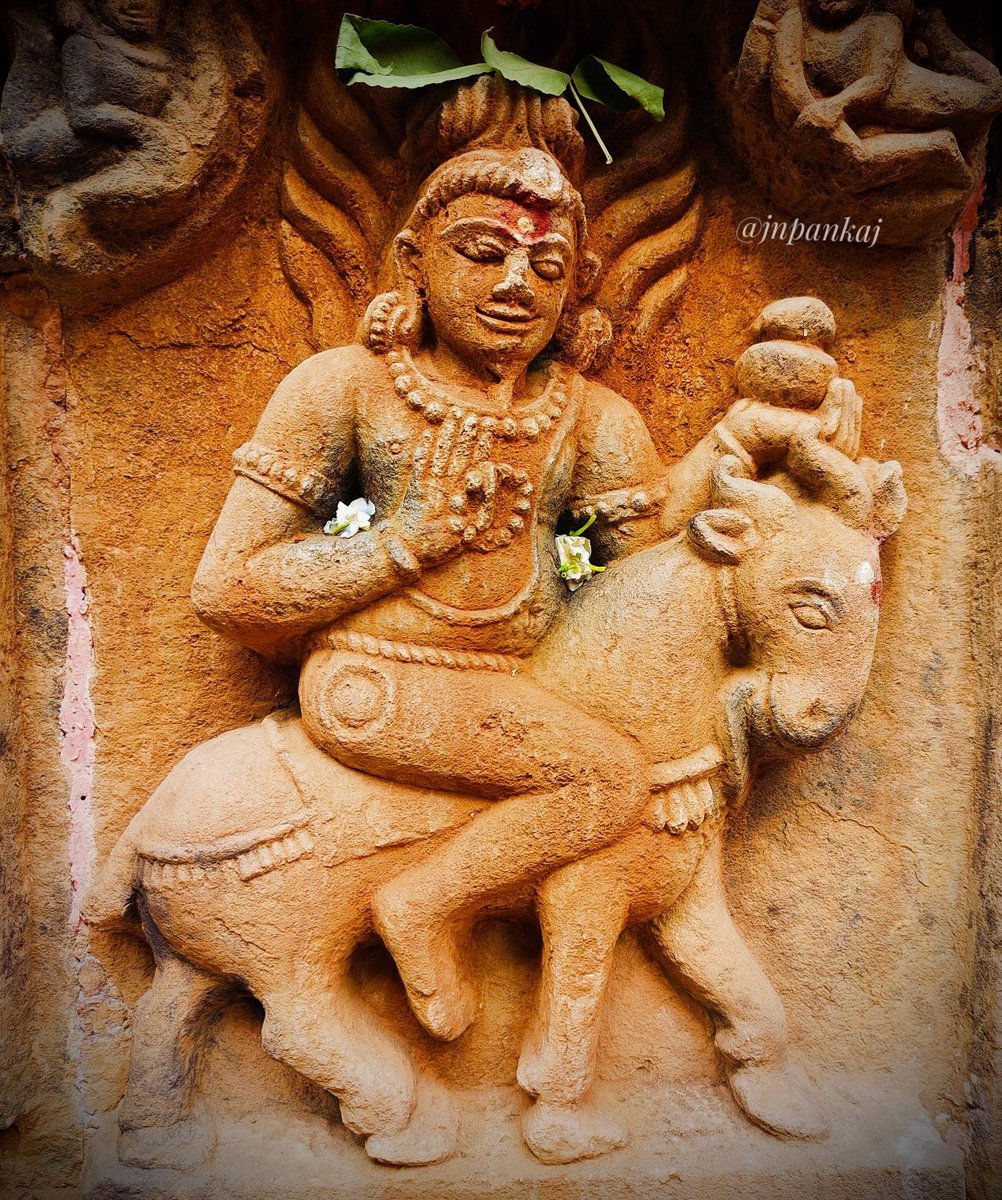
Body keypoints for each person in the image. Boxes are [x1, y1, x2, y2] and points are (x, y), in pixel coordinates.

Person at [192, 144, 821, 1042]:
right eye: (483, 253)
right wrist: (404, 546)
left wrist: (736, 450)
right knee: (603, 777)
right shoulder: (348, 390)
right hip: (381, 679)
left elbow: (638, 587)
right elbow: (229, 588)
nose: (516, 284)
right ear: (414, 262)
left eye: (546, 265)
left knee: (628, 760)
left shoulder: (592, 417)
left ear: (574, 289)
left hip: (530, 689)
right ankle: (419, 908)